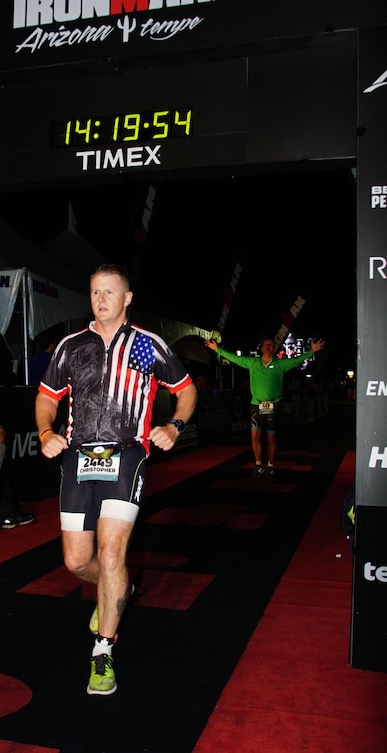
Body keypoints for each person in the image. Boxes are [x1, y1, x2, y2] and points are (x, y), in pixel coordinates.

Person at [35, 263, 197, 696]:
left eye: (110, 292)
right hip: (77, 460)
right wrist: (46, 431)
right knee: (76, 562)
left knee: (110, 556)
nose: (101, 299)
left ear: (127, 299)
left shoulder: (147, 345)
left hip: (128, 456)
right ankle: (115, 589)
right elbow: (46, 399)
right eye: (94, 292)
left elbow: (185, 389)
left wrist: (175, 426)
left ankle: (102, 651)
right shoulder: (71, 346)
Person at [204, 335, 325, 477]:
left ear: (274, 349)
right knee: (255, 437)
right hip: (256, 405)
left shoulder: (280, 364)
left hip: (273, 405)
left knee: (271, 438)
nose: (268, 346)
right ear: (261, 348)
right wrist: (218, 349)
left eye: (271, 345)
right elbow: (235, 358)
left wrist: (311, 352)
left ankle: (271, 464)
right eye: (265, 344)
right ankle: (258, 464)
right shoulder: (252, 362)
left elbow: (296, 360)